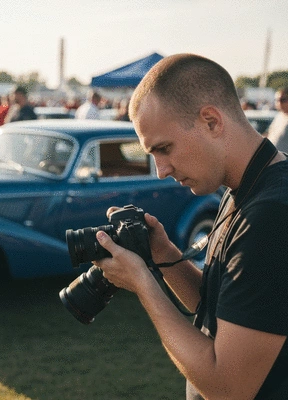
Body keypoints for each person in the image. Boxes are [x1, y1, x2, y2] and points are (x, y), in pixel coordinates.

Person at [93, 54, 288, 399]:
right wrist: (165, 255)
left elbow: (229, 388)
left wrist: (142, 283)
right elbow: (224, 308)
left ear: (212, 121)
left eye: (164, 148)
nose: (161, 170)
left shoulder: (272, 214)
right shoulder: (248, 185)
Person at [265, 87, 288, 152]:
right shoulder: (279, 116)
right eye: (277, 100)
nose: (279, 103)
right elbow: (269, 134)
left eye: (283, 100)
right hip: (273, 158)